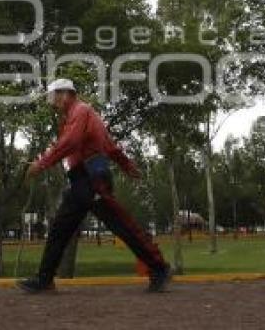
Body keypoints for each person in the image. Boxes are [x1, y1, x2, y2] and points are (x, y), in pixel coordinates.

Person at [17, 78, 172, 293]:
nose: (52, 103)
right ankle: (45, 279)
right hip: (81, 180)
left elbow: (70, 143)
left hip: (92, 178)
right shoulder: (79, 116)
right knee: (60, 229)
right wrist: (126, 166)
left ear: (65, 93)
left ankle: (159, 268)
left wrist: (41, 164)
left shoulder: (81, 111)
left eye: (53, 97)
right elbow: (110, 147)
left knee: (122, 225)